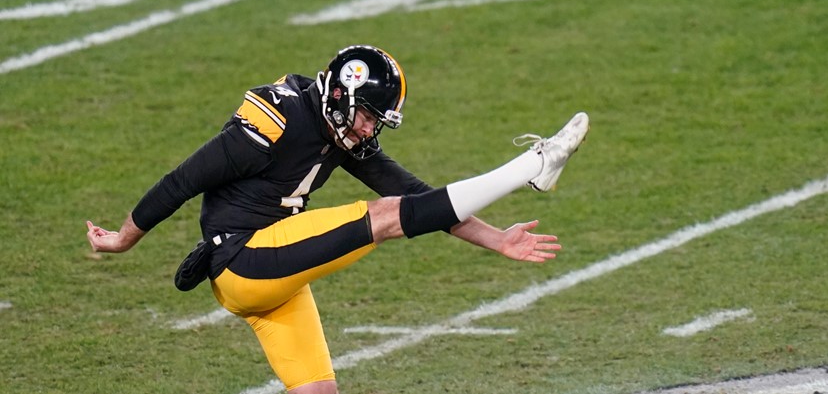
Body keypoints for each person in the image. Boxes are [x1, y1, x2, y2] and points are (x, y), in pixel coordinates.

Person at [85, 45, 589, 394]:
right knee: (382, 217)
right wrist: (122, 240)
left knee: (319, 390)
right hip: (244, 259)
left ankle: (536, 169)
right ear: (340, 97)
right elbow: (182, 180)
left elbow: (420, 199)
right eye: (367, 115)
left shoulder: (340, 129)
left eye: (377, 119)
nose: (370, 129)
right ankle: (533, 165)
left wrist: (496, 239)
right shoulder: (274, 120)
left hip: (274, 275)